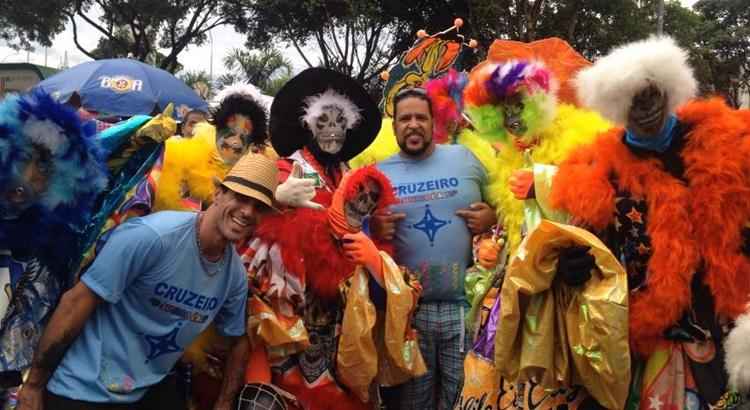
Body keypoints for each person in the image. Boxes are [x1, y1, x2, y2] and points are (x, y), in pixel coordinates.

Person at [549, 36, 750, 408]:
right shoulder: (601, 171)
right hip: (650, 336)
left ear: (670, 89)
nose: (643, 110)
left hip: (730, 322)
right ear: (615, 107)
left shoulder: (729, 143)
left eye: (650, 96)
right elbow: (585, 244)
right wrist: (571, 266)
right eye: (632, 102)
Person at [17, 153, 279, 410]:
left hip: (144, 393)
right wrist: (33, 386)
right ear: (219, 193)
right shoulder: (152, 236)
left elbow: (239, 340)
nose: (247, 212)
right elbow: (76, 302)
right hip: (82, 390)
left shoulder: (234, 276)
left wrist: (224, 402)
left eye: (258, 207)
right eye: (241, 198)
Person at [373, 87, 496, 409]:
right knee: (413, 403)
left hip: (466, 309)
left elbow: (508, 210)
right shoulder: (380, 173)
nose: (413, 125)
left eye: (420, 118)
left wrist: (491, 215)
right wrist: (375, 229)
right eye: (404, 119)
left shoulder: (465, 159)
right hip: (411, 314)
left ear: (432, 122)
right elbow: (360, 236)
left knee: (465, 400)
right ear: (394, 125)